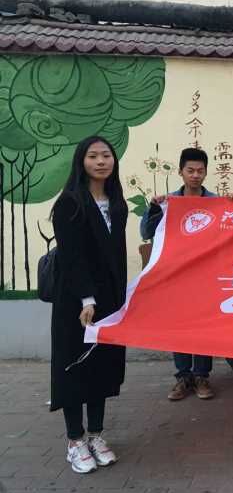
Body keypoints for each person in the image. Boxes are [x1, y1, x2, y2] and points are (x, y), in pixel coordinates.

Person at [50, 136, 128, 474]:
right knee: (74, 368)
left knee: (101, 367)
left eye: (106, 155)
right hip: (77, 302)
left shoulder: (117, 203)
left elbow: (117, 255)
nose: (101, 162)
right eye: (93, 156)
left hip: (109, 301)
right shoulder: (70, 203)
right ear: (81, 161)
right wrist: (87, 298)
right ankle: (74, 440)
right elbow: (72, 258)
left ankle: (95, 435)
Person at [141, 147, 227, 401]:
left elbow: (230, 232)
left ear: (206, 173)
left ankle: (201, 376)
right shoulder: (167, 203)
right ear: (181, 172)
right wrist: (154, 209)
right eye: (190, 170)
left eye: (200, 171)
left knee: (203, 326)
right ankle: (182, 377)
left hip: (205, 275)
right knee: (178, 325)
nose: (195, 175)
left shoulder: (216, 202)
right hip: (176, 275)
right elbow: (146, 232)